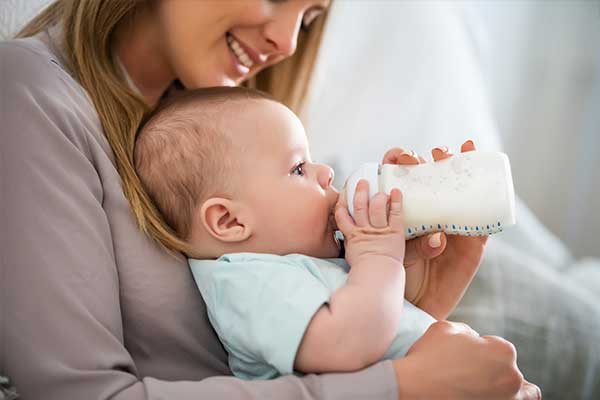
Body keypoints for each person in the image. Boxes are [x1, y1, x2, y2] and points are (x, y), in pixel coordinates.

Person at [0, 1, 541, 399]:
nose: (286, 41)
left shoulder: (230, 129)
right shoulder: (29, 94)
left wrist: (418, 300)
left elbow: (299, 345)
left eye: (308, 16)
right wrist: (402, 386)